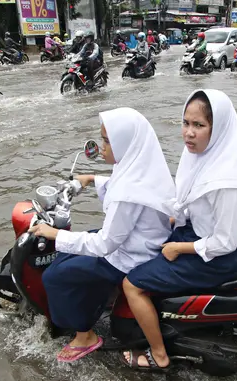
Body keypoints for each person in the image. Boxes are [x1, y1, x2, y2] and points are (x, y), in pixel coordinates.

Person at [118, 89, 237, 371]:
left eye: (199, 125)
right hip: (197, 233)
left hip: (218, 254)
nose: (189, 133)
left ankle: (159, 356)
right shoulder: (200, 156)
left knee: (131, 285)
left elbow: (225, 241)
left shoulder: (226, 180)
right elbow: (190, 200)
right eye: (186, 123)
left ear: (217, 130)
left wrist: (179, 247)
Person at [29, 107, 175, 362]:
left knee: (55, 275)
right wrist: (90, 179)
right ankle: (96, 304)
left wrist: (54, 234)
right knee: (67, 255)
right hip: (140, 242)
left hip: (130, 256)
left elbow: (106, 243)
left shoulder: (129, 192)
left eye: (108, 141)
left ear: (125, 143)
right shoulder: (140, 167)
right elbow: (118, 183)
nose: (102, 147)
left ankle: (86, 336)